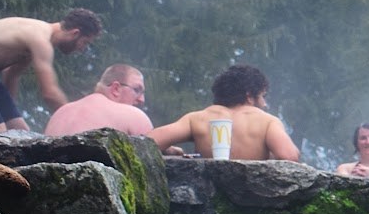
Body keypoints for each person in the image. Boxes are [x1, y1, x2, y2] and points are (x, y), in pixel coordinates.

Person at [0, 9, 103, 131]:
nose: (83, 49)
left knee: (21, 132)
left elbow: (11, 75)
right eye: (85, 42)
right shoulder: (40, 39)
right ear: (75, 33)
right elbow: (49, 93)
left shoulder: (38, 38)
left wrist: (9, 110)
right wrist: (76, 119)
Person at [150, 64, 300, 161]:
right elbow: (289, 156)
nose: (264, 104)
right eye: (262, 96)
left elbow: (150, 141)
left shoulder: (197, 119)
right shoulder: (267, 122)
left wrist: (169, 150)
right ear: (249, 96)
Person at [43, 64, 155, 136]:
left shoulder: (60, 112)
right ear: (116, 88)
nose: (142, 99)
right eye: (137, 90)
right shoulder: (132, 115)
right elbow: (155, 147)